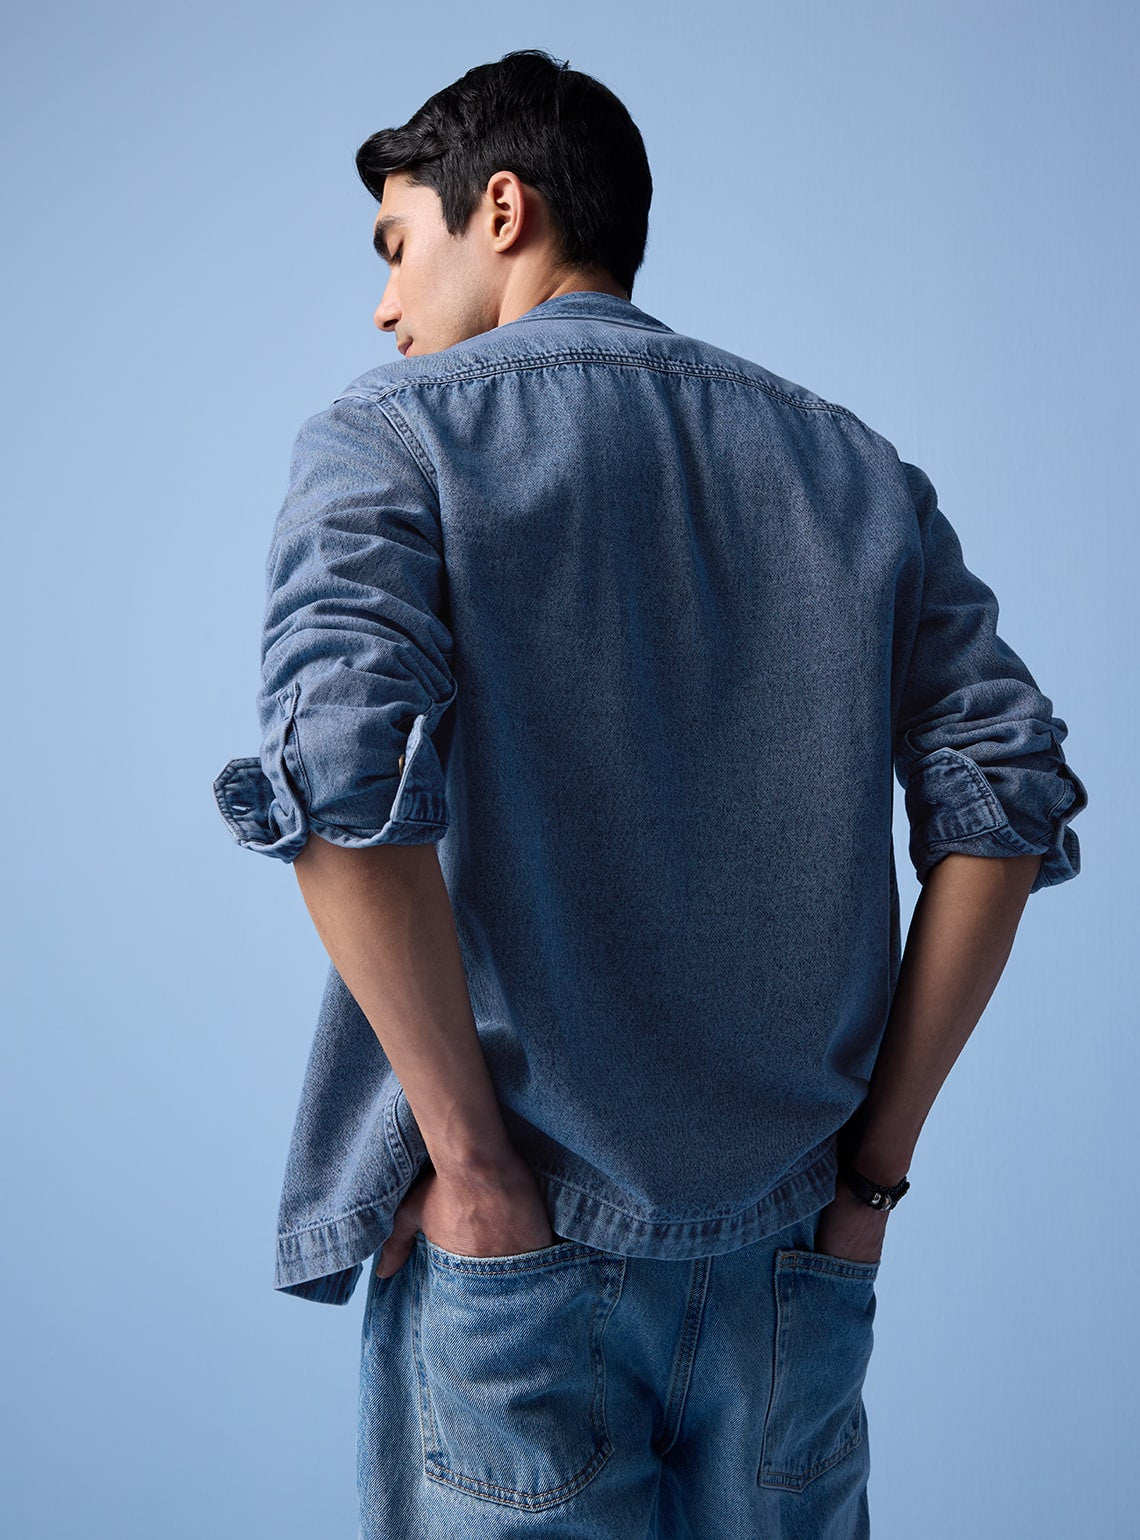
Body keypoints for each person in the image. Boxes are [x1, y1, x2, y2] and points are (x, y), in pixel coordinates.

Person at [212, 47, 1088, 1540]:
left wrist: (471, 1162)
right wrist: (869, 1187)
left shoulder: (391, 438)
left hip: (516, 1242)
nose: (383, 305)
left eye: (396, 245)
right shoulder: (857, 471)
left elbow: (340, 783)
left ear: (502, 210)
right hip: (795, 1260)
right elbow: (1005, 801)